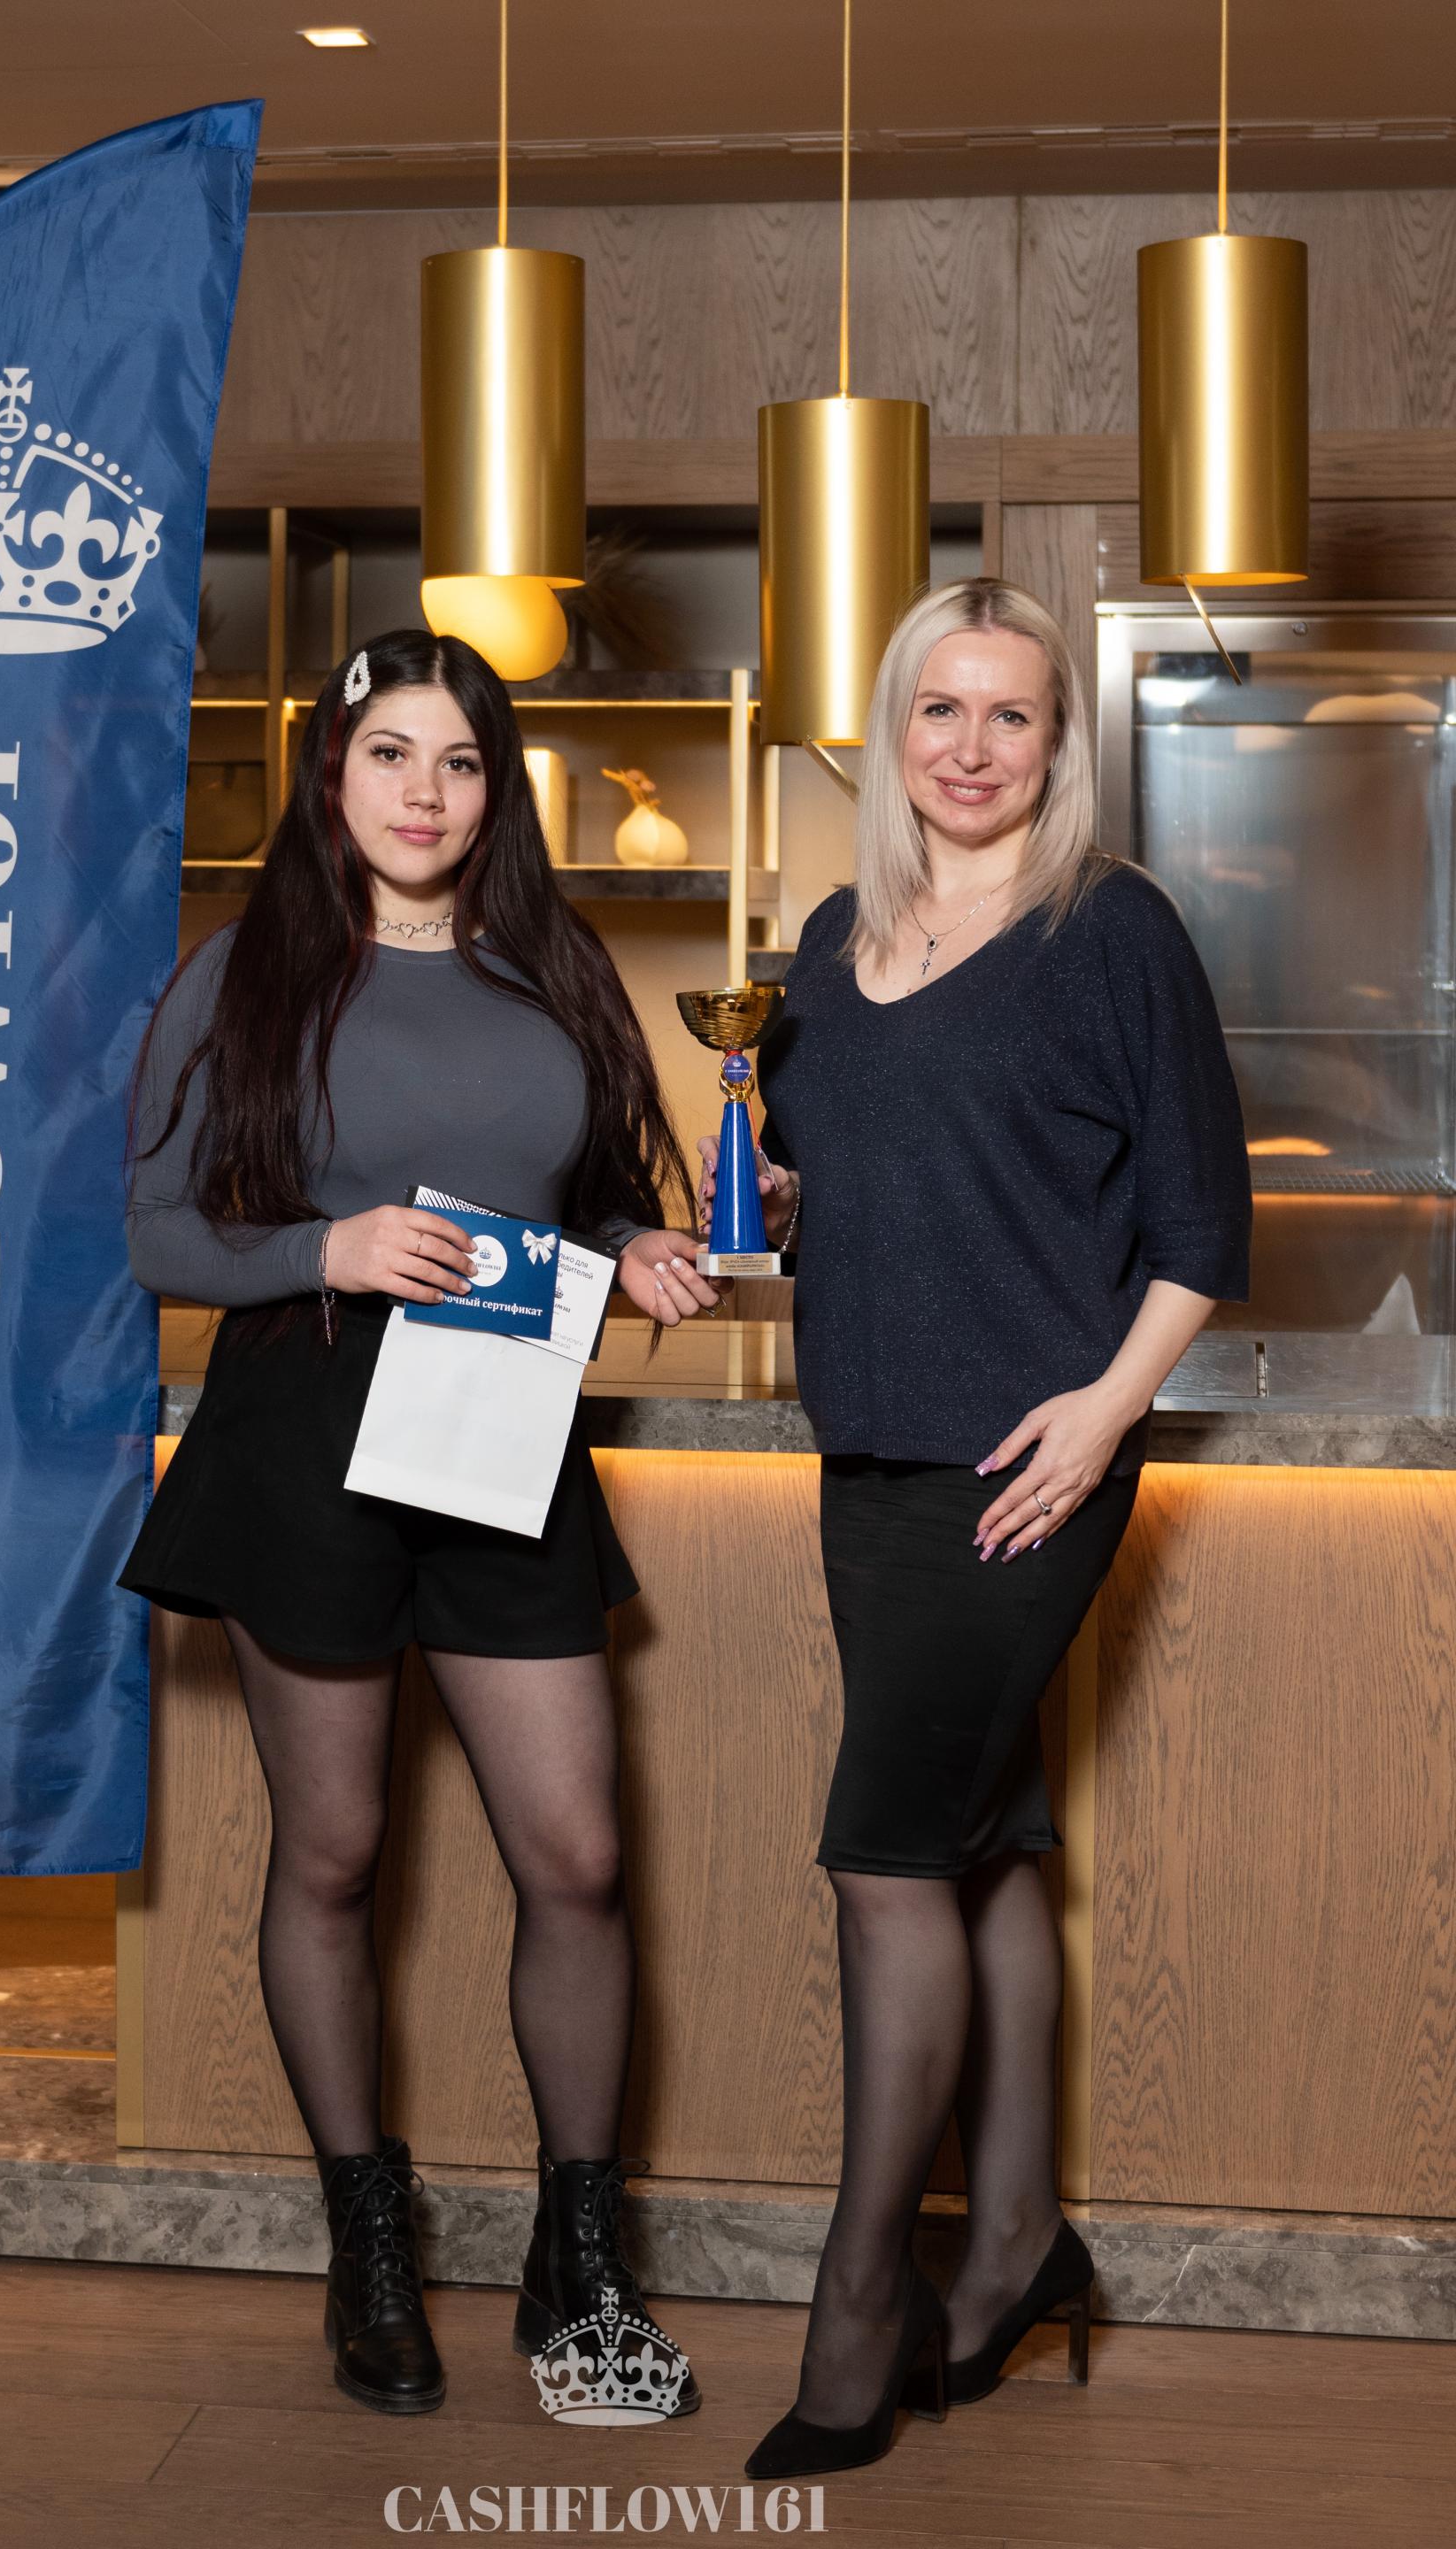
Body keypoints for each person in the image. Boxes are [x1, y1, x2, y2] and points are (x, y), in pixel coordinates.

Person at [119, 629, 715, 2419]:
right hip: (306, 1422)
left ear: (494, 788)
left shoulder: (555, 966)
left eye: (459, 761)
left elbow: (584, 1192)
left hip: (499, 1419)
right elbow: (154, 1231)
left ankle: (578, 2262)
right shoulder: (245, 973)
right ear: (334, 768)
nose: (424, 792)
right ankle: (368, 2239)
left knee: (579, 1855)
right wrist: (332, 1245)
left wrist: (634, 1244)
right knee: (335, 1853)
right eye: (390, 753)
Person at [709, 578, 1251, 2480]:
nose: (970, 746)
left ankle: (863, 2298)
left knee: (881, 1860)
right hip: (866, 1457)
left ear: (1058, 742)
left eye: (1012, 714)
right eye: (940, 708)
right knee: (986, 1841)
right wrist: (776, 1197)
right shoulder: (836, 933)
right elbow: (839, 1171)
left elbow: (1202, 1229)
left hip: (1025, 1469)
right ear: (894, 725)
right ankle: (1021, 2236)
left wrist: (1102, 1419)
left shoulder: (1112, 929)